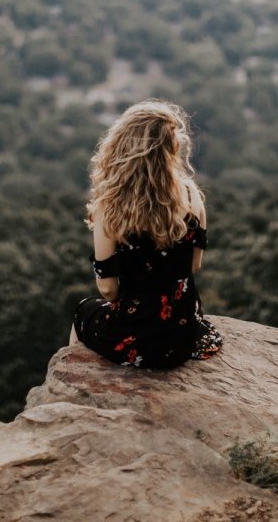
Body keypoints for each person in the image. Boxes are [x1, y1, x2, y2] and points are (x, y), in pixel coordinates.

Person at [71, 100, 223, 368]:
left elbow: (107, 289)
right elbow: (194, 265)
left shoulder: (111, 206)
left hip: (135, 336)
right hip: (182, 336)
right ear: (171, 149)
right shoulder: (191, 195)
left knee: (82, 312)